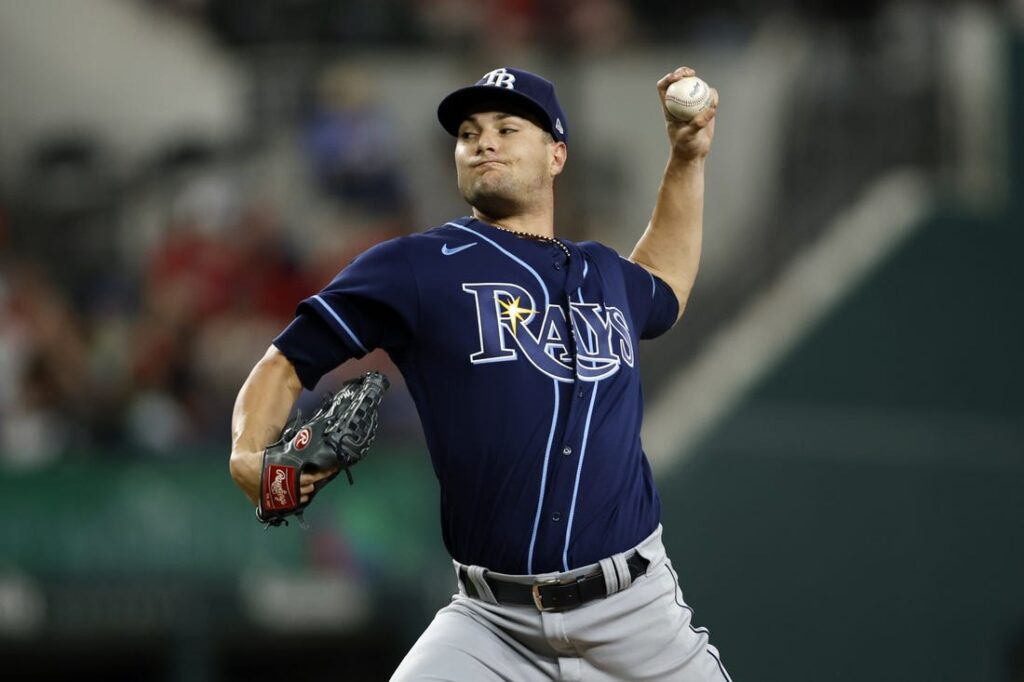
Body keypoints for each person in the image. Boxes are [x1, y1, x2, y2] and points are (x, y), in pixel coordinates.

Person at [230, 65, 728, 681]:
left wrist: (687, 156)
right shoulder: (416, 267)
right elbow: (283, 364)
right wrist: (248, 455)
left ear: (557, 154)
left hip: (636, 617)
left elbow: (667, 283)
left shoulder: (605, 273)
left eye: (506, 127)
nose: (482, 141)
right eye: (468, 133)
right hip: (492, 625)